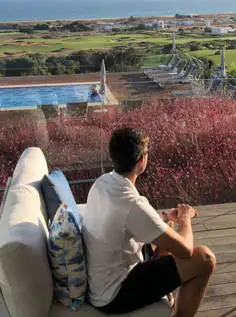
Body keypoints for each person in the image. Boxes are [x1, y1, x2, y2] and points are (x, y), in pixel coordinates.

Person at [82, 127, 216, 317]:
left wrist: (165, 222)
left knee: (165, 229)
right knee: (205, 259)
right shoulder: (132, 204)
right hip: (114, 294)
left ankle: (165, 291)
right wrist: (185, 218)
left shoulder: (102, 183)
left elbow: (127, 223)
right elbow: (186, 250)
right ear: (142, 161)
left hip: (101, 279)